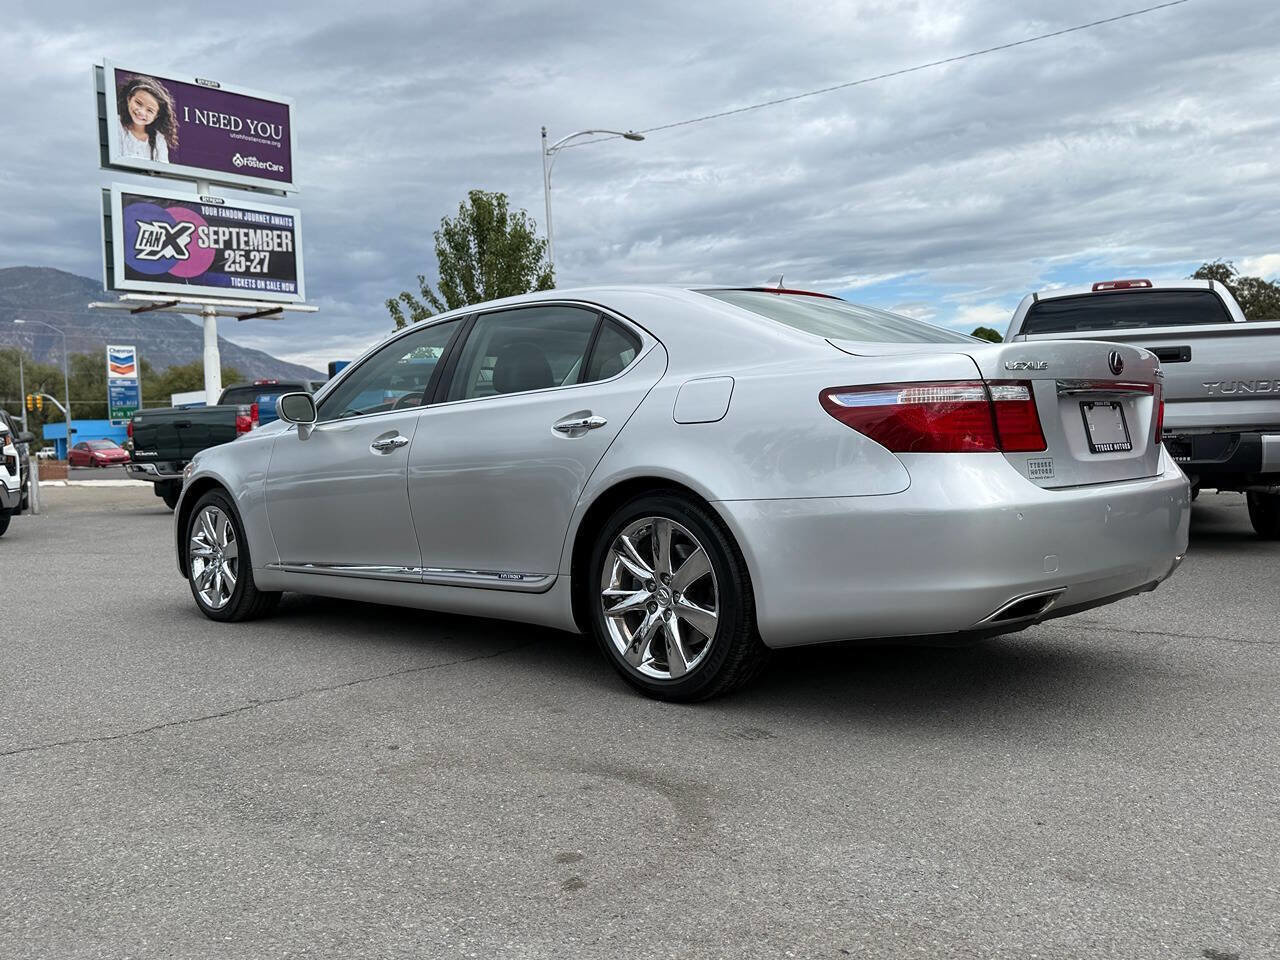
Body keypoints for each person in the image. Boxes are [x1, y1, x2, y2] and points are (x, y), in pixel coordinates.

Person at [116, 75, 178, 163]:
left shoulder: (158, 139)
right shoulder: (116, 124)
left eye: (150, 110)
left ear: (156, 116)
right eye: (138, 103)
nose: (141, 112)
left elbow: (162, 170)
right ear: (129, 98)